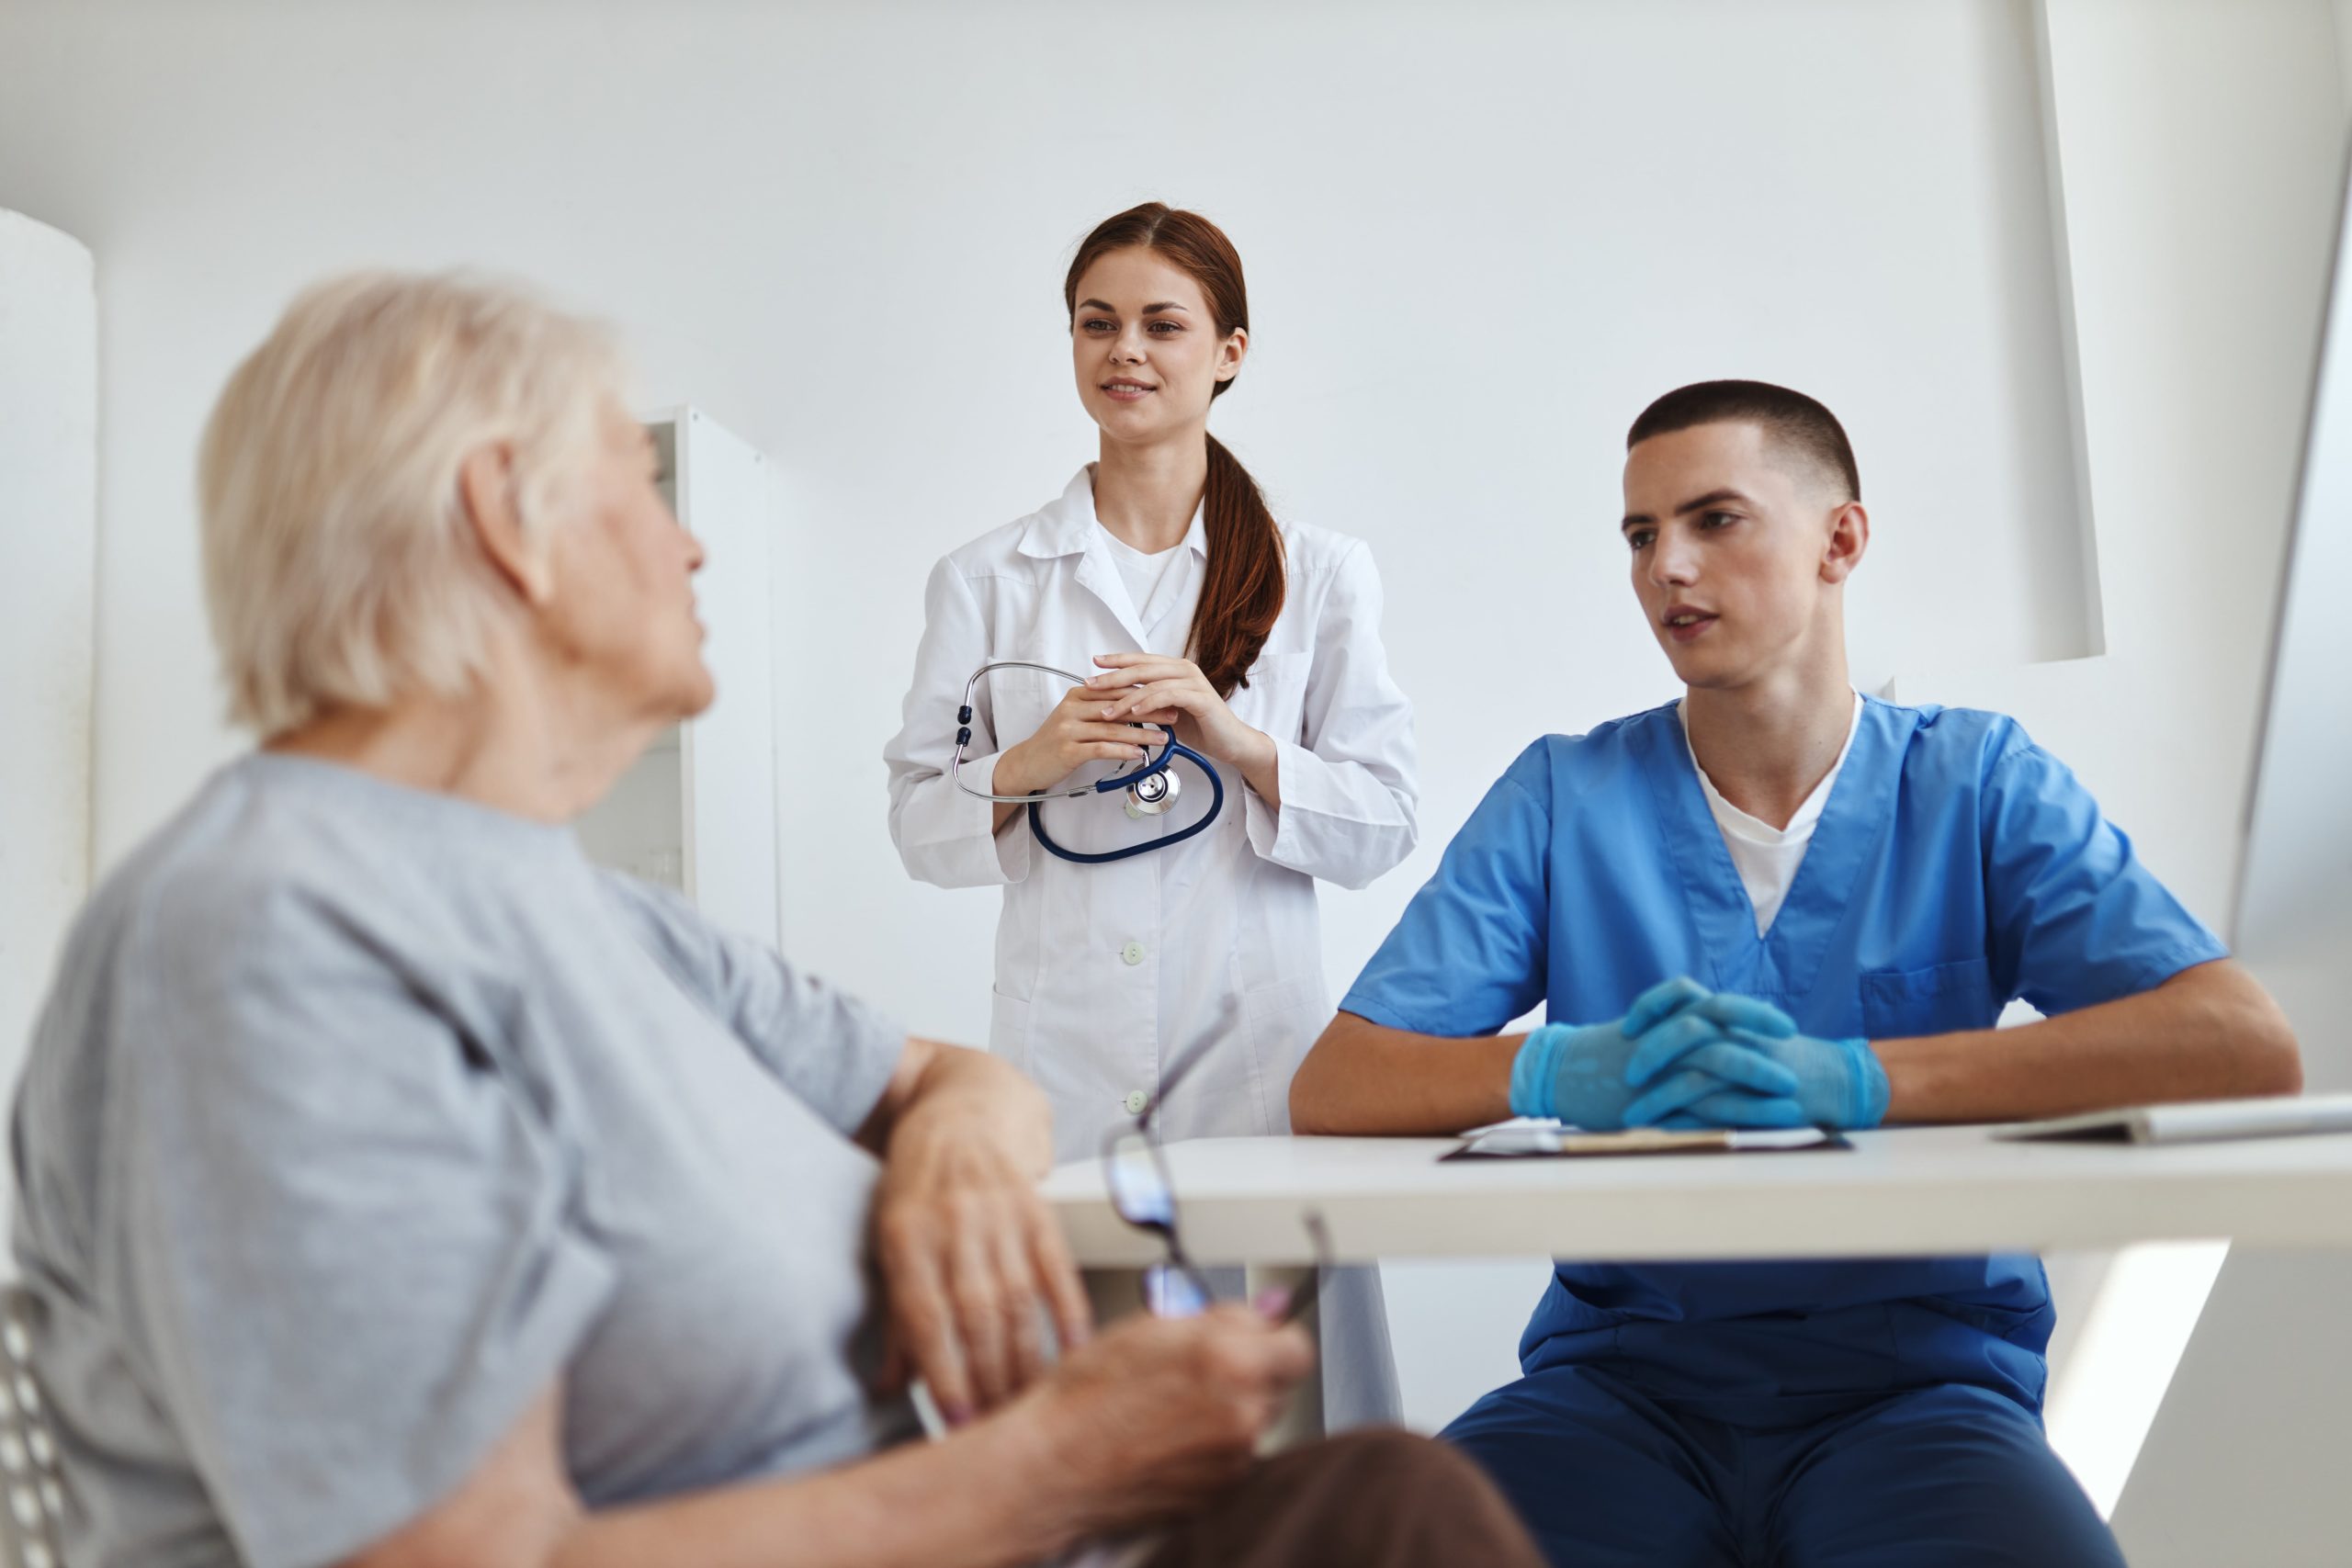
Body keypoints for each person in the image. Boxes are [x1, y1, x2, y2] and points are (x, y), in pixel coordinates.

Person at [8, 272, 1544, 1568]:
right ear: (506, 519)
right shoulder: (267, 945)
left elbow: (954, 1077)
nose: (689, 542)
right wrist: (1061, 1465)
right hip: (997, 1504)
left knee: (1390, 1497)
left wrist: (948, 1149)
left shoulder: (587, 913)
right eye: (636, 481)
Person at [1288, 379, 2302, 1567]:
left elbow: (2241, 1045)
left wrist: (1860, 1081)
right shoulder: (1568, 796)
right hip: (1622, 1390)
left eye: (1714, 519)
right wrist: (1559, 1069)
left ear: (1842, 539)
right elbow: (1341, 1082)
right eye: (1639, 533)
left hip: (1919, 1389)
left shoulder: (1976, 782)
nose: (1667, 565)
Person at [883, 203, 1419, 1424]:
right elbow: (919, 827)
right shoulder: (984, 578)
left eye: (1162, 325)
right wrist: (1029, 764)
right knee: (1086, 1455)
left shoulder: (1317, 572)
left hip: (1252, 1068)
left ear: (1228, 349)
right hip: (1065, 1081)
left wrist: (1238, 740)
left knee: (1287, 1450)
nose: (1126, 351)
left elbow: (1386, 820)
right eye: (1098, 323)